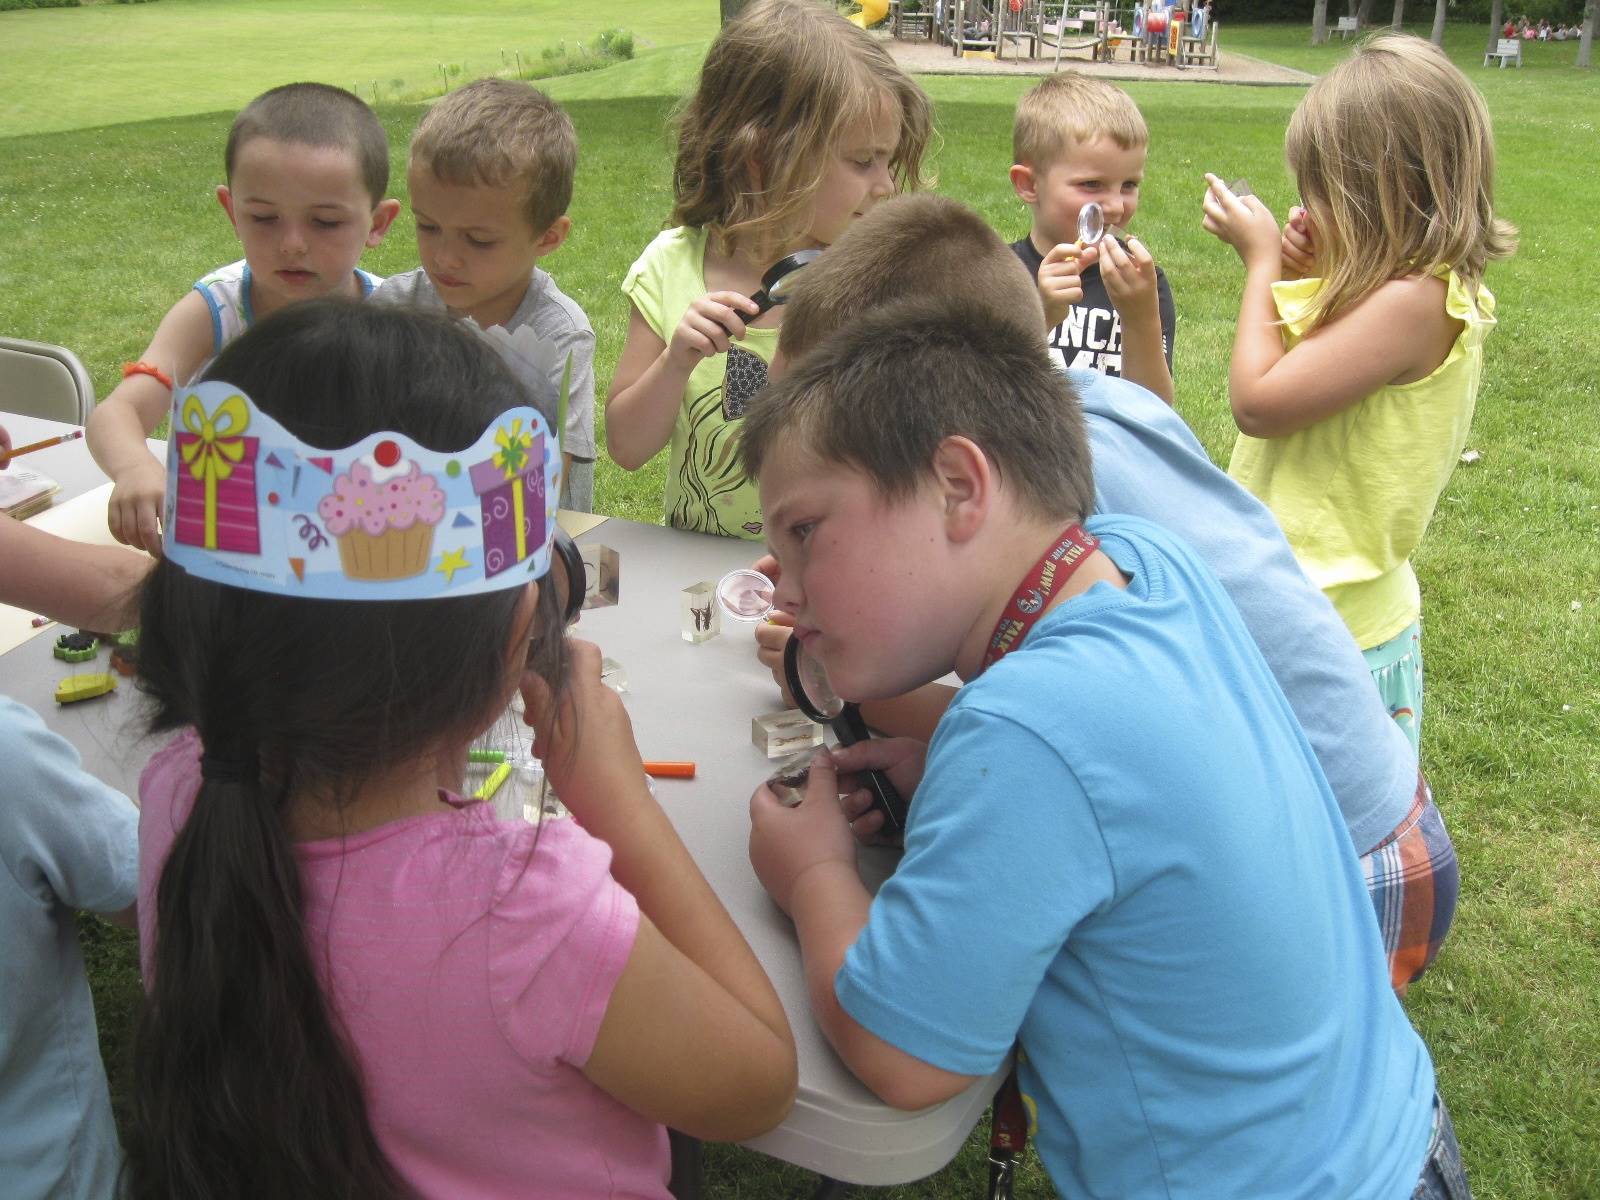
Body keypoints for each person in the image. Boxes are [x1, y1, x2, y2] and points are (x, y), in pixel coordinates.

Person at [740, 299, 1467, 1199]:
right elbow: (1139, 790)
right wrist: (963, 788)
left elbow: (902, 1056)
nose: (792, 592)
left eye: (805, 534)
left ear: (960, 488)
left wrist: (812, 874)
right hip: (1397, 1142)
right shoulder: (1146, 561)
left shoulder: (1023, 728)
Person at [121, 302, 796, 1199]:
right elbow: (757, 1084)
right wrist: (618, 803)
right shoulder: (524, 912)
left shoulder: (186, 788)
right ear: (505, 645)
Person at [763, 194, 1457, 993]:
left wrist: (828, 677)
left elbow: (1063, 750)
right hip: (1384, 808)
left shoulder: (1069, 515)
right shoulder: (1097, 405)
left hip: (1349, 858)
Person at [1204, 33, 1514, 755]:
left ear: (1373, 196)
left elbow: (1261, 400)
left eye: (1321, 189)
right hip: (1317, 615)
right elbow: (1319, 366)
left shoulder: (1415, 303)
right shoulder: (1416, 291)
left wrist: (1258, 266)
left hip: (1319, 632)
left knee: (1307, 845)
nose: (1307, 203)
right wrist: (1298, 270)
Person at [605, 0, 931, 539]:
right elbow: (626, 449)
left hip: (836, 576)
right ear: (763, 154)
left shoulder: (872, 279)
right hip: (705, 578)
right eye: (861, 160)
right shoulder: (670, 267)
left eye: (887, 160)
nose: (886, 185)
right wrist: (674, 362)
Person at [86, 83, 400, 555]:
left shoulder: (393, 318)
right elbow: (118, 412)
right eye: (264, 218)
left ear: (377, 223)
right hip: (220, 555)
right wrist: (134, 467)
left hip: (346, 561)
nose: (292, 243)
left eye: (325, 222)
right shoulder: (217, 309)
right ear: (232, 211)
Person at [371, 79, 598, 513]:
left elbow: (545, 481)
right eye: (428, 226)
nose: (446, 258)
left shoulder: (557, 333)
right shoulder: (392, 309)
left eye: (478, 240)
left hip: (521, 552)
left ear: (548, 237)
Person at [1008, 71, 1177, 404]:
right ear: (1029, 185)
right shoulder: (998, 275)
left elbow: (1155, 412)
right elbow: (978, 398)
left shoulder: (1142, 283)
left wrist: (1140, 317)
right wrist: (1038, 316)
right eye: (1091, 185)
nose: (1115, 206)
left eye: (1129, 185)